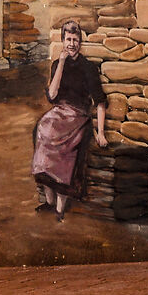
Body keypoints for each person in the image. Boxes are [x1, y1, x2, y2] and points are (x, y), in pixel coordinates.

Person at [30, 19, 107, 221]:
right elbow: (53, 96)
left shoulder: (88, 68)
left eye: (75, 40)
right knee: (42, 129)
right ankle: (48, 201)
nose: (71, 44)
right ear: (63, 41)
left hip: (79, 116)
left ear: (80, 42)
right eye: (68, 39)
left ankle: (60, 207)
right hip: (59, 112)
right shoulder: (58, 64)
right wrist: (62, 62)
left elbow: (100, 102)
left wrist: (100, 132)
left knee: (63, 148)